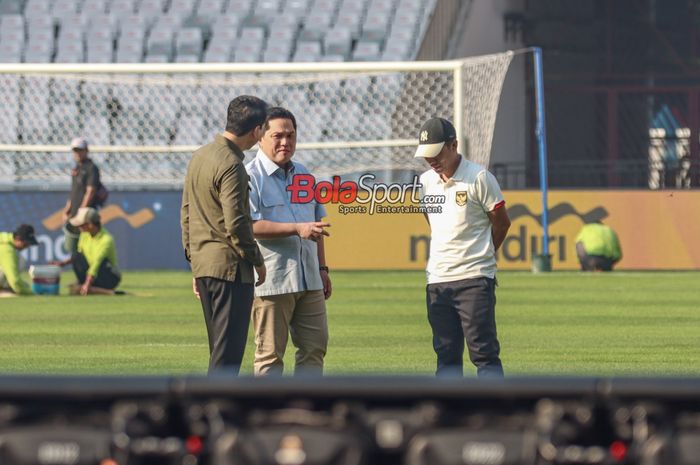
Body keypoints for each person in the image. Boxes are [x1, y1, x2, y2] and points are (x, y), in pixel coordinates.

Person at [415, 117, 511, 378]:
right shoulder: (424, 182)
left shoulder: (479, 177)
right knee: (445, 356)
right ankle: (449, 414)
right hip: (437, 280)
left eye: (436, 154)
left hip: (474, 280)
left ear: (454, 145)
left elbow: (502, 223)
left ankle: (495, 413)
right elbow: (431, 221)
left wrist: (485, 255)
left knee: (484, 354)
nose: (431, 161)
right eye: (426, 156)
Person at [180, 95, 268, 375]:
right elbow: (237, 223)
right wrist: (257, 259)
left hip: (206, 265)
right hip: (230, 270)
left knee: (219, 350)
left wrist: (195, 261)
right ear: (256, 131)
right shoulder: (231, 164)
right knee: (227, 356)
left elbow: (186, 213)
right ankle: (211, 409)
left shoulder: (200, 155)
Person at [246, 107, 331, 376]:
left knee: (315, 349)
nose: (286, 142)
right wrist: (296, 228)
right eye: (278, 136)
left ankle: (307, 411)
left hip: (310, 279)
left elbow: (316, 226)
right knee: (270, 357)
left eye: (291, 135)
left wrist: (322, 268)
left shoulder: (305, 174)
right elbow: (249, 226)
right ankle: (266, 414)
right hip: (272, 281)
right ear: (260, 136)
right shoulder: (249, 176)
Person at [52, 207, 122, 296]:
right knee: (76, 255)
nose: (78, 227)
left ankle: (101, 290)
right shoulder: (84, 235)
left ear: (90, 225)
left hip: (110, 277)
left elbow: (96, 264)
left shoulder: (106, 240)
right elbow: (79, 256)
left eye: (81, 225)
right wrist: (62, 264)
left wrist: (87, 284)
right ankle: (92, 288)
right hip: (94, 274)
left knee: (102, 262)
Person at [61, 138, 107, 254]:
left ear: (86, 151)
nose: (77, 153)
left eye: (79, 150)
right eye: (75, 151)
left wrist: (82, 211)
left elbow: (90, 191)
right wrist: (67, 210)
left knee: (87, 244)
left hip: (86, 213)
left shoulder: (91, 168)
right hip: (76, 212)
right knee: (76, 246)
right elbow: (74, 192)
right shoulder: (76, 168)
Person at [0, 224, 38, 296]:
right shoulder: (7, 250)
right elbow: (14, 281)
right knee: (20, 260)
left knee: (24, 284)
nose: (27, 247)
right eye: (26, 243)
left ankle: (6, 288)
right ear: (17, 238)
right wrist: (31, 293)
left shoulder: (3, 238)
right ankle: (5, 289)